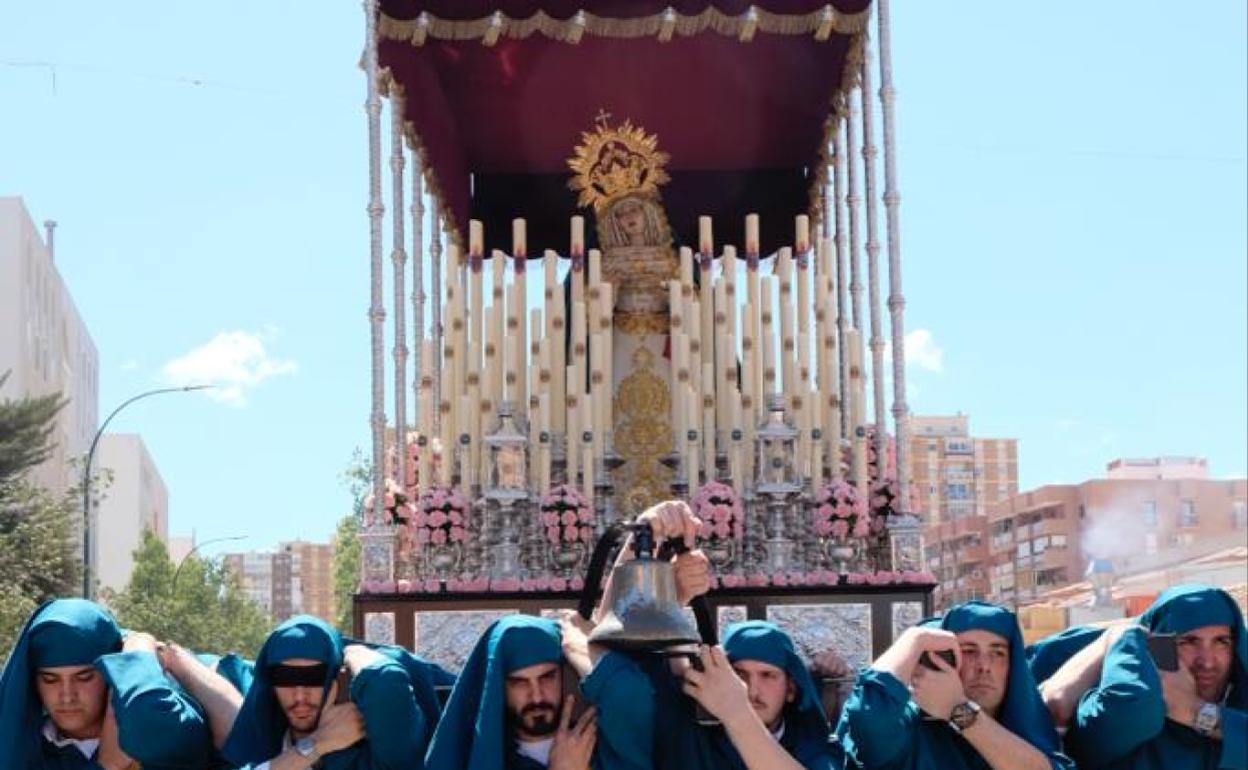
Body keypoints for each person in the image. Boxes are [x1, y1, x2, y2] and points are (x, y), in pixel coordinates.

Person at [834, 600, 1073, 770]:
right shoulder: (911, 730)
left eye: (998, 652)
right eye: (968, 651)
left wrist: (958, 710)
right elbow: (867, 717)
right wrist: (915, 639)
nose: (984, 665)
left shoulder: (1028, 727)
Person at [0, 598, 214, 769]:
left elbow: (152, 718)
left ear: (110, 672)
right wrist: (107, 765)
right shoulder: (25, 752)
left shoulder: (167, 722)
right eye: (50, 679)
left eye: (84, 677)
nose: (67, 696)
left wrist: (138, 647)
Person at [1053, 584, 1246, 769]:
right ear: (1158, 645)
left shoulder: (1238, 711)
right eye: (1189, 641)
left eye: (1222, 641)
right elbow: (1130, 709)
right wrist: (1128, 639)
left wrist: (1195, 712)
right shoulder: (1119, 714)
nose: (1207, 662)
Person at [221, 614, 433, 769]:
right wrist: (317, 744)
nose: (300, 696)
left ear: (336, 678)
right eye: (286, 679)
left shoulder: (370, 759)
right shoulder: (264, 751)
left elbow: (386, 681)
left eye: (313, 678)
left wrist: (353, 651)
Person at [422, 614, 598, 770]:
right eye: (519, 682)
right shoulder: (470, 754)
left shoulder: (600, 743)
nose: (537, 696)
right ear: (498, 685)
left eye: (547, 677)